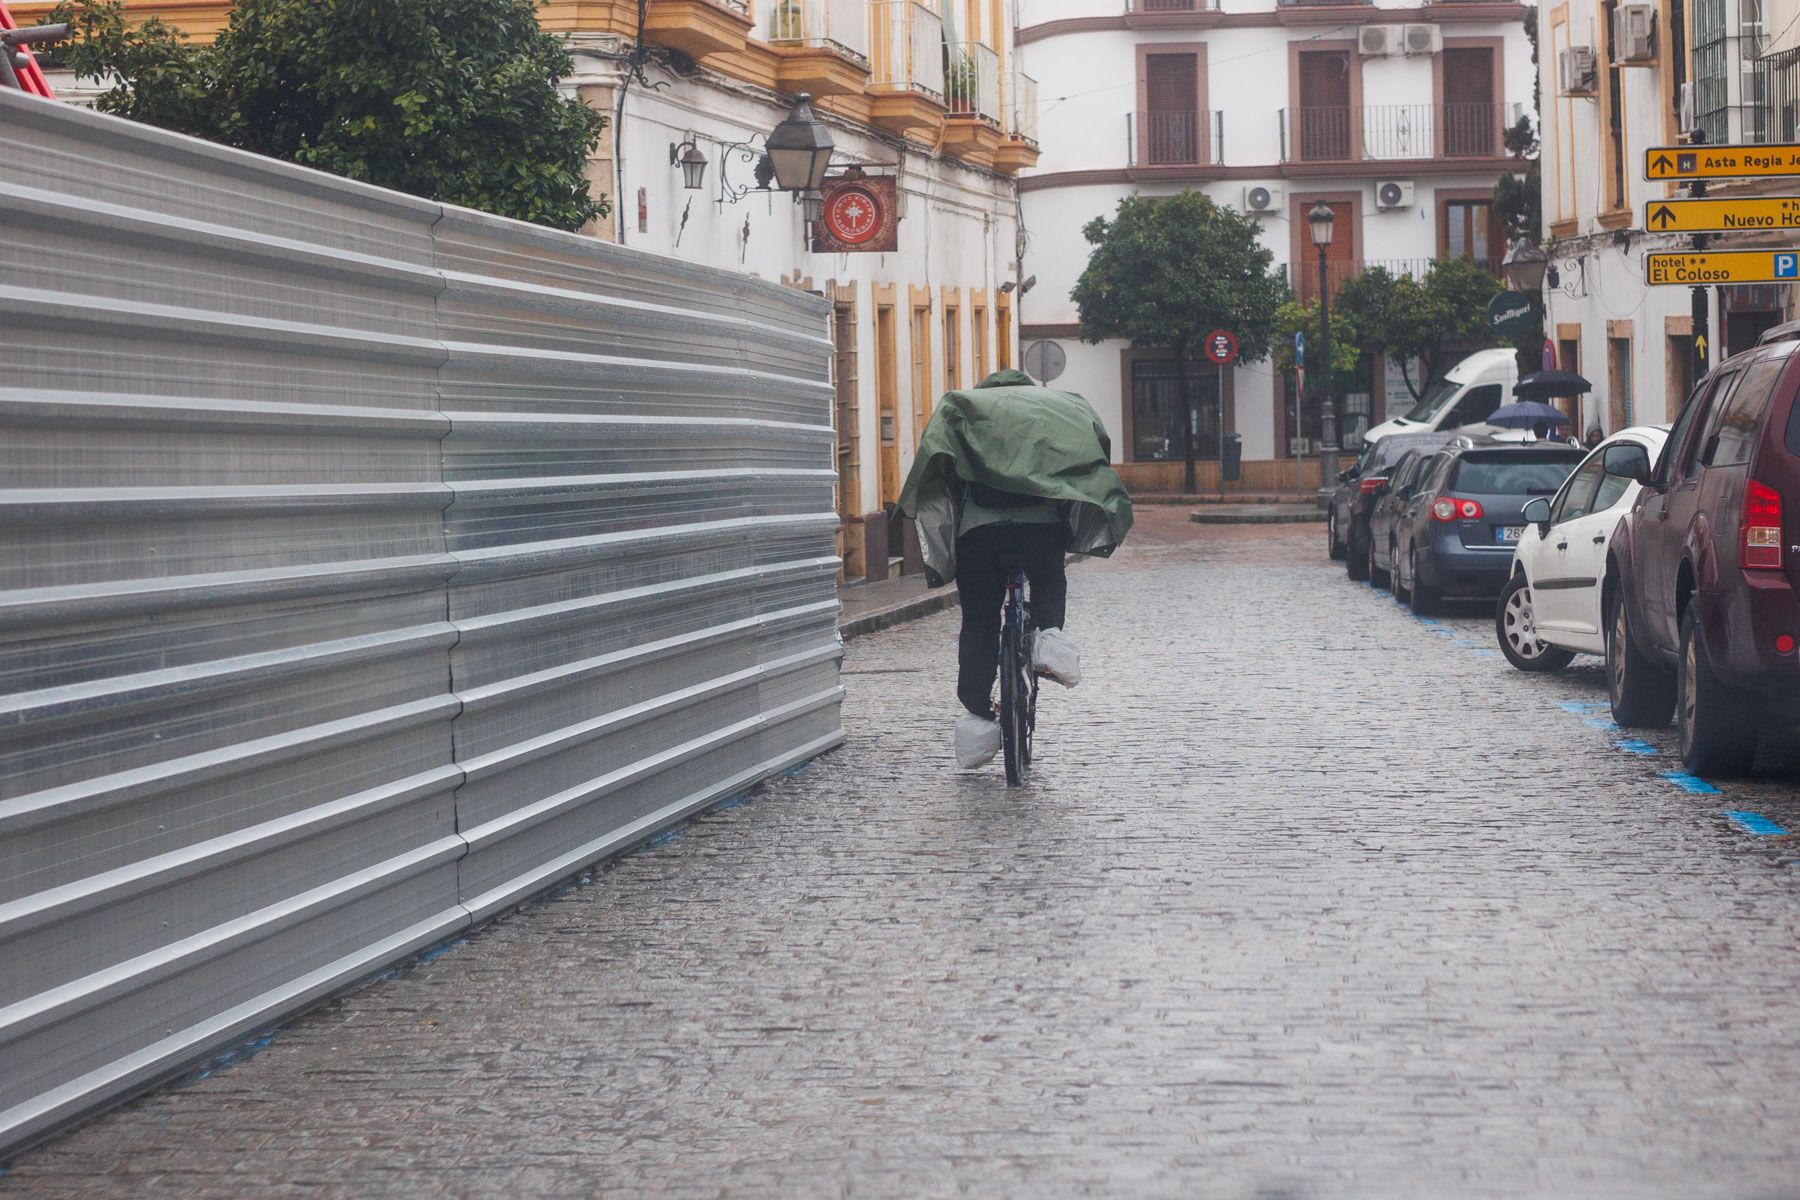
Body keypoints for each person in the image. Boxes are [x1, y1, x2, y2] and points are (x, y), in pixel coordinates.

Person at [897, 369, 1133, 769]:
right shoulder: (1062, 408)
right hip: (1040, 532)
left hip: (980, 536)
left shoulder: (962, 409)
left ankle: (977, 714)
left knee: (978, 625)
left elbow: (940, 471)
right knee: (1048, 578)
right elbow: (1087, 461)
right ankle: (1049, 640)